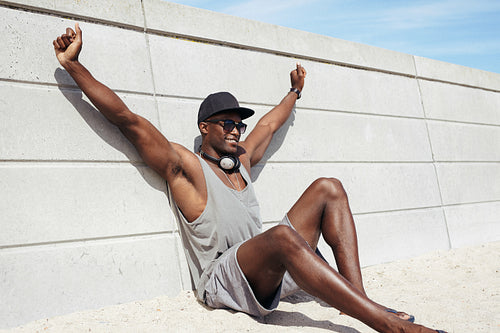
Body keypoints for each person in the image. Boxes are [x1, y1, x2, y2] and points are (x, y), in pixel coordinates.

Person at [53, 23, 446, 333]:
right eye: (227, 124)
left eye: (239, 126)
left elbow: (271, 124)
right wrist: (73, 65)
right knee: (280, 237)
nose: (236, 131)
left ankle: (363, 301)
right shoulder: (186, 169)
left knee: (330, 188)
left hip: (265, 269)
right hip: (222, 280)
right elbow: (129, 121)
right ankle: (387, 325)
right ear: (204, 128)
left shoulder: (240, 161)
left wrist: (294, 91)